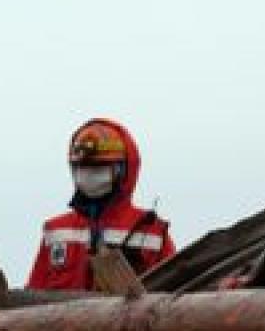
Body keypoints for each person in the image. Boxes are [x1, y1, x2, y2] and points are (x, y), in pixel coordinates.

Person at [27, 118, 176, 290]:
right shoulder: (55, 230)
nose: (89, 176)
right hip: (61, 317)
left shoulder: (152, 231)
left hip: (128, 318)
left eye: (98, 169)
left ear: (122, 170)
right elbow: (34, 291)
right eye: (81, 168)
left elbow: (173, 298)